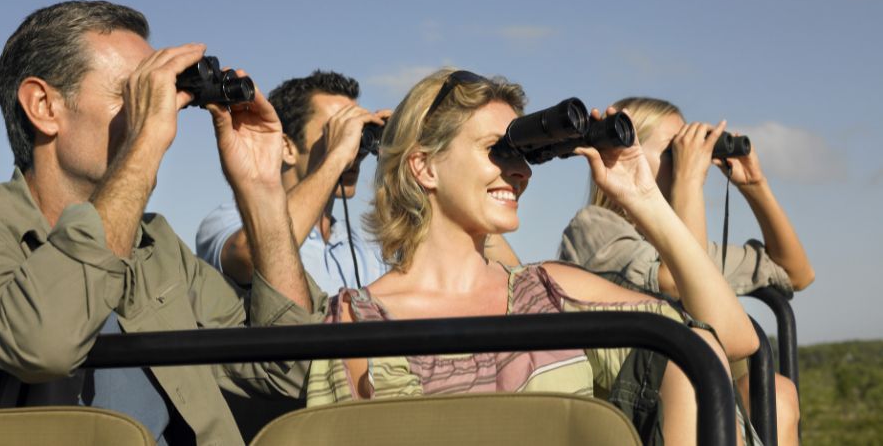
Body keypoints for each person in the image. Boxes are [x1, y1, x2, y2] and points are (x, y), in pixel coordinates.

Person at [301, 69, 760, 445]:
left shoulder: (549, 290)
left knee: (693, 351)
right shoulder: (357, 324)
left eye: (523, 155)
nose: (519, 172)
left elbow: (730, 340)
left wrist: (645, 198)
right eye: (496, 151)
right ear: (424, 166)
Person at [0, 1, 324, 445]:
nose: (158, 115)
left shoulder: (156, 245)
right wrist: (145, 142)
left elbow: (290, 369)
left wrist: (262, 191)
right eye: (135, 95)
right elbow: (45, 346)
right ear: (44, 106)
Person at [559, 97, 813, 446]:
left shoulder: (696, 250)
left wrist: (755, 186)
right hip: (640, 405)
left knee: (776, 393)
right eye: (673, 151)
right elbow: (680, 284)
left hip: (696, 391)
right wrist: (689, 181)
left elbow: (795, 273)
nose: (685, 160)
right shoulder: (594, 228)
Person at [196, 71, 522, 293]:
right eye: (338, 130)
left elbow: (508, 280)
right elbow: (255, 257)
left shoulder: (362, 244)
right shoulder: (229, 221)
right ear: (287, 148)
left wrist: (423, 154)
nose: (356, 149)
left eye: (358, 132)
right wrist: (336, 156)